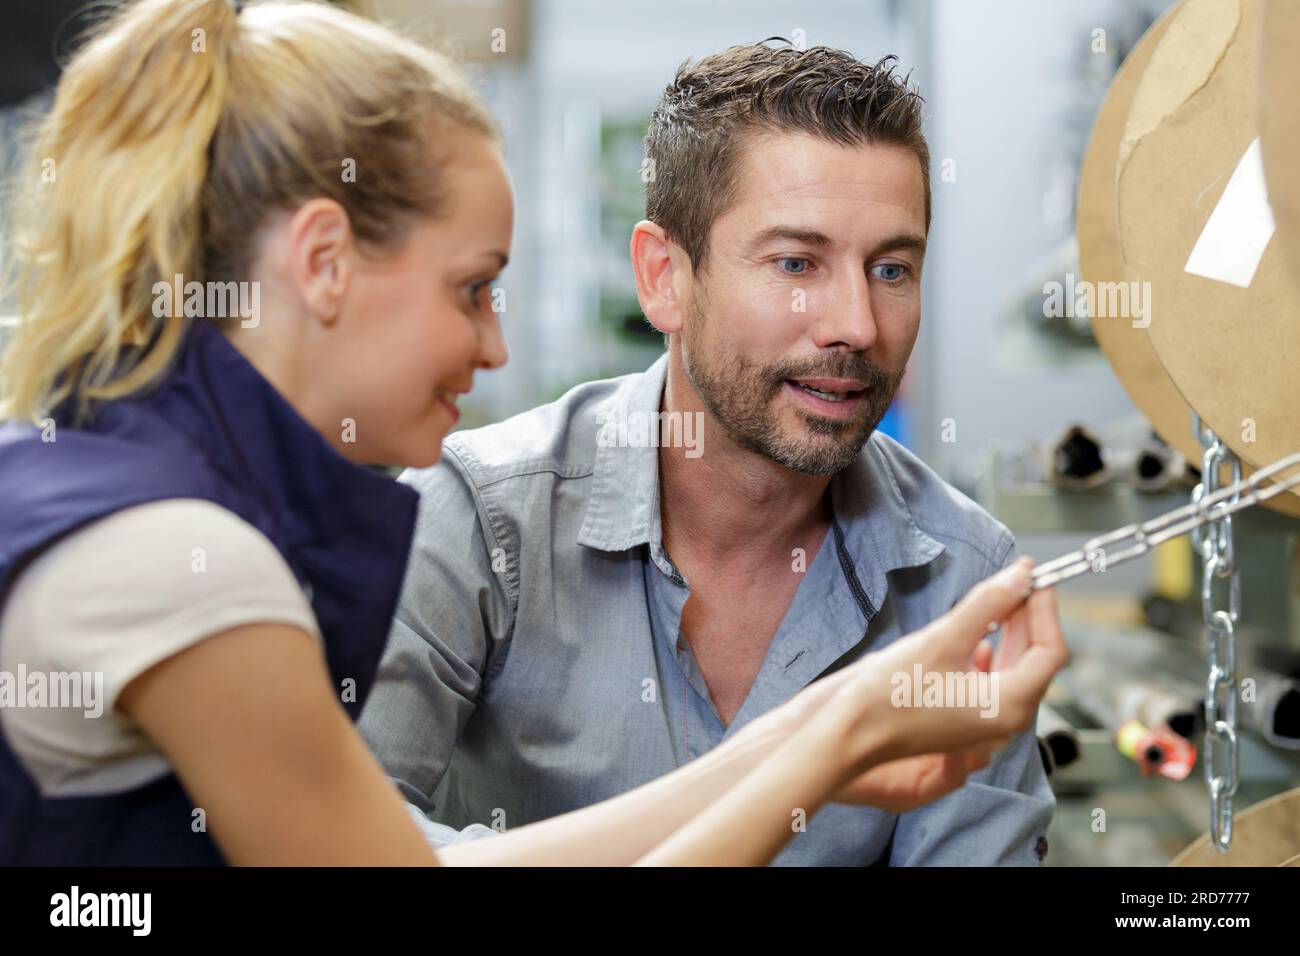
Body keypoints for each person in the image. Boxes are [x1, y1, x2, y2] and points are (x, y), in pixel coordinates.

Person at [0, 0, 1067, 866]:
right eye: (473, 287)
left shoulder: (129, 490)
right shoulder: (184, 558)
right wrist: (836, 737)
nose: (496, 348)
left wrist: (817, 735)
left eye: (893, 267)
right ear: (323, 260)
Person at [359, 41, 1062, 865]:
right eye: (796, 262)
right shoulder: (479, 516)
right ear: (664, 277)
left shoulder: (963, 579)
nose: (857, 325)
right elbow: (345, 843)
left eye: (892, 268)